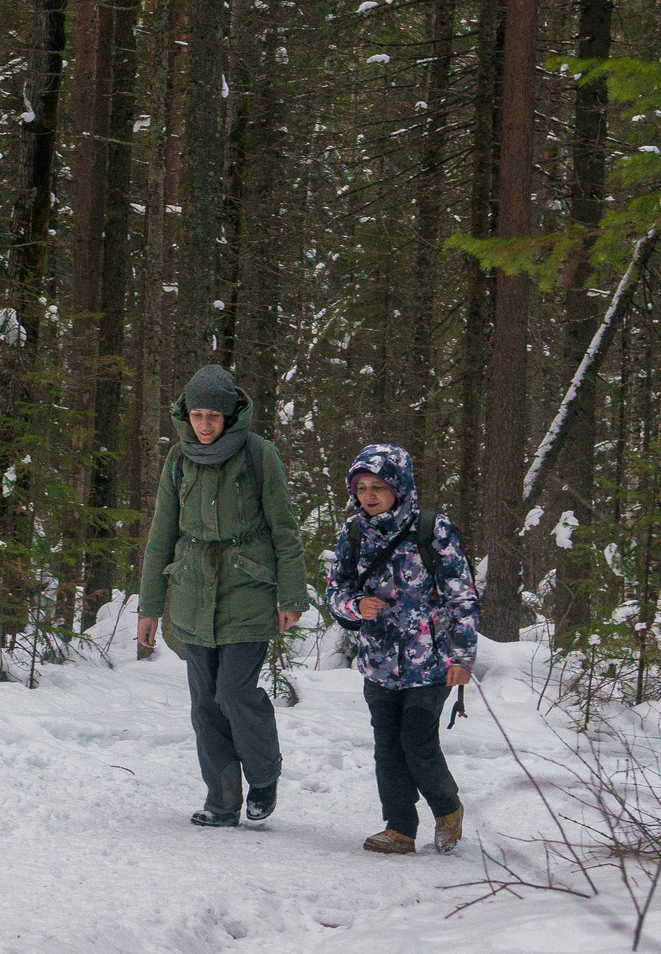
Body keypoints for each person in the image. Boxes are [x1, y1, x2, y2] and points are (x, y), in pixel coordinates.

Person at [136, 366, 309, 827]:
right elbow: (161, 536)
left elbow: (284, 531)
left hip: (247, 591)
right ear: (186, 415)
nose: (206, 424)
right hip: (193, 592)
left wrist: (291, 594)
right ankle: (223, 799)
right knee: (204, 704)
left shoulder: (259, 455)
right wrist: (150, 607)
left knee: (233, 692)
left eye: (214, 414)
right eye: (197, 414)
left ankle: (264, 776)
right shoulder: (178, 460)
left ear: (231, 413)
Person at [323, 443, 479, 854]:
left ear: (400, 486)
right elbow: (336, 591)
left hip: (432, 662)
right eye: (361, 488)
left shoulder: (432, 529)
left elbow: (461, 596)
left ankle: (447, 808)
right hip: (378, 662)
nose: (369, 496)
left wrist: (462, 657)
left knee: (417, 738)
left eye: (379, 486)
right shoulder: (353, 533)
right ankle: (399, 828)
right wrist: (355, 606)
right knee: (387, 746)